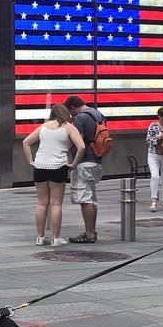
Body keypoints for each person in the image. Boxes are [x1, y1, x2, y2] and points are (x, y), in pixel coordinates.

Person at [22, 103, 85, 246]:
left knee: (41, 203)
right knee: (56, 204)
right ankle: (56, 239)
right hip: (58, 167)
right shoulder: (69, 127)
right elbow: (81, 147)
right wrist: (74, 164)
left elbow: (26, 142)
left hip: (40, 167)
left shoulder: (43, 127)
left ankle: (40, 237)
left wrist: (31, 161)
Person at [64, 95, 106, 243]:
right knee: (92, 198)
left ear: (72, 107)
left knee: (85, 199)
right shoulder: (97, 114)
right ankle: (92, 231)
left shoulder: (80, 118)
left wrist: (73, 163)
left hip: (84, 162)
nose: (71, 115)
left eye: (70, 112)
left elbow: (78, 142)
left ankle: (89, 234)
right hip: (97, 160)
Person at [145, 106, 163, 212]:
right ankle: (154, 200)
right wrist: (159, 137)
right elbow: (148, 140)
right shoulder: (153, 126)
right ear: (158, 116)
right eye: (161, 115)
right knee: (155, 176)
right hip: (154, 154)